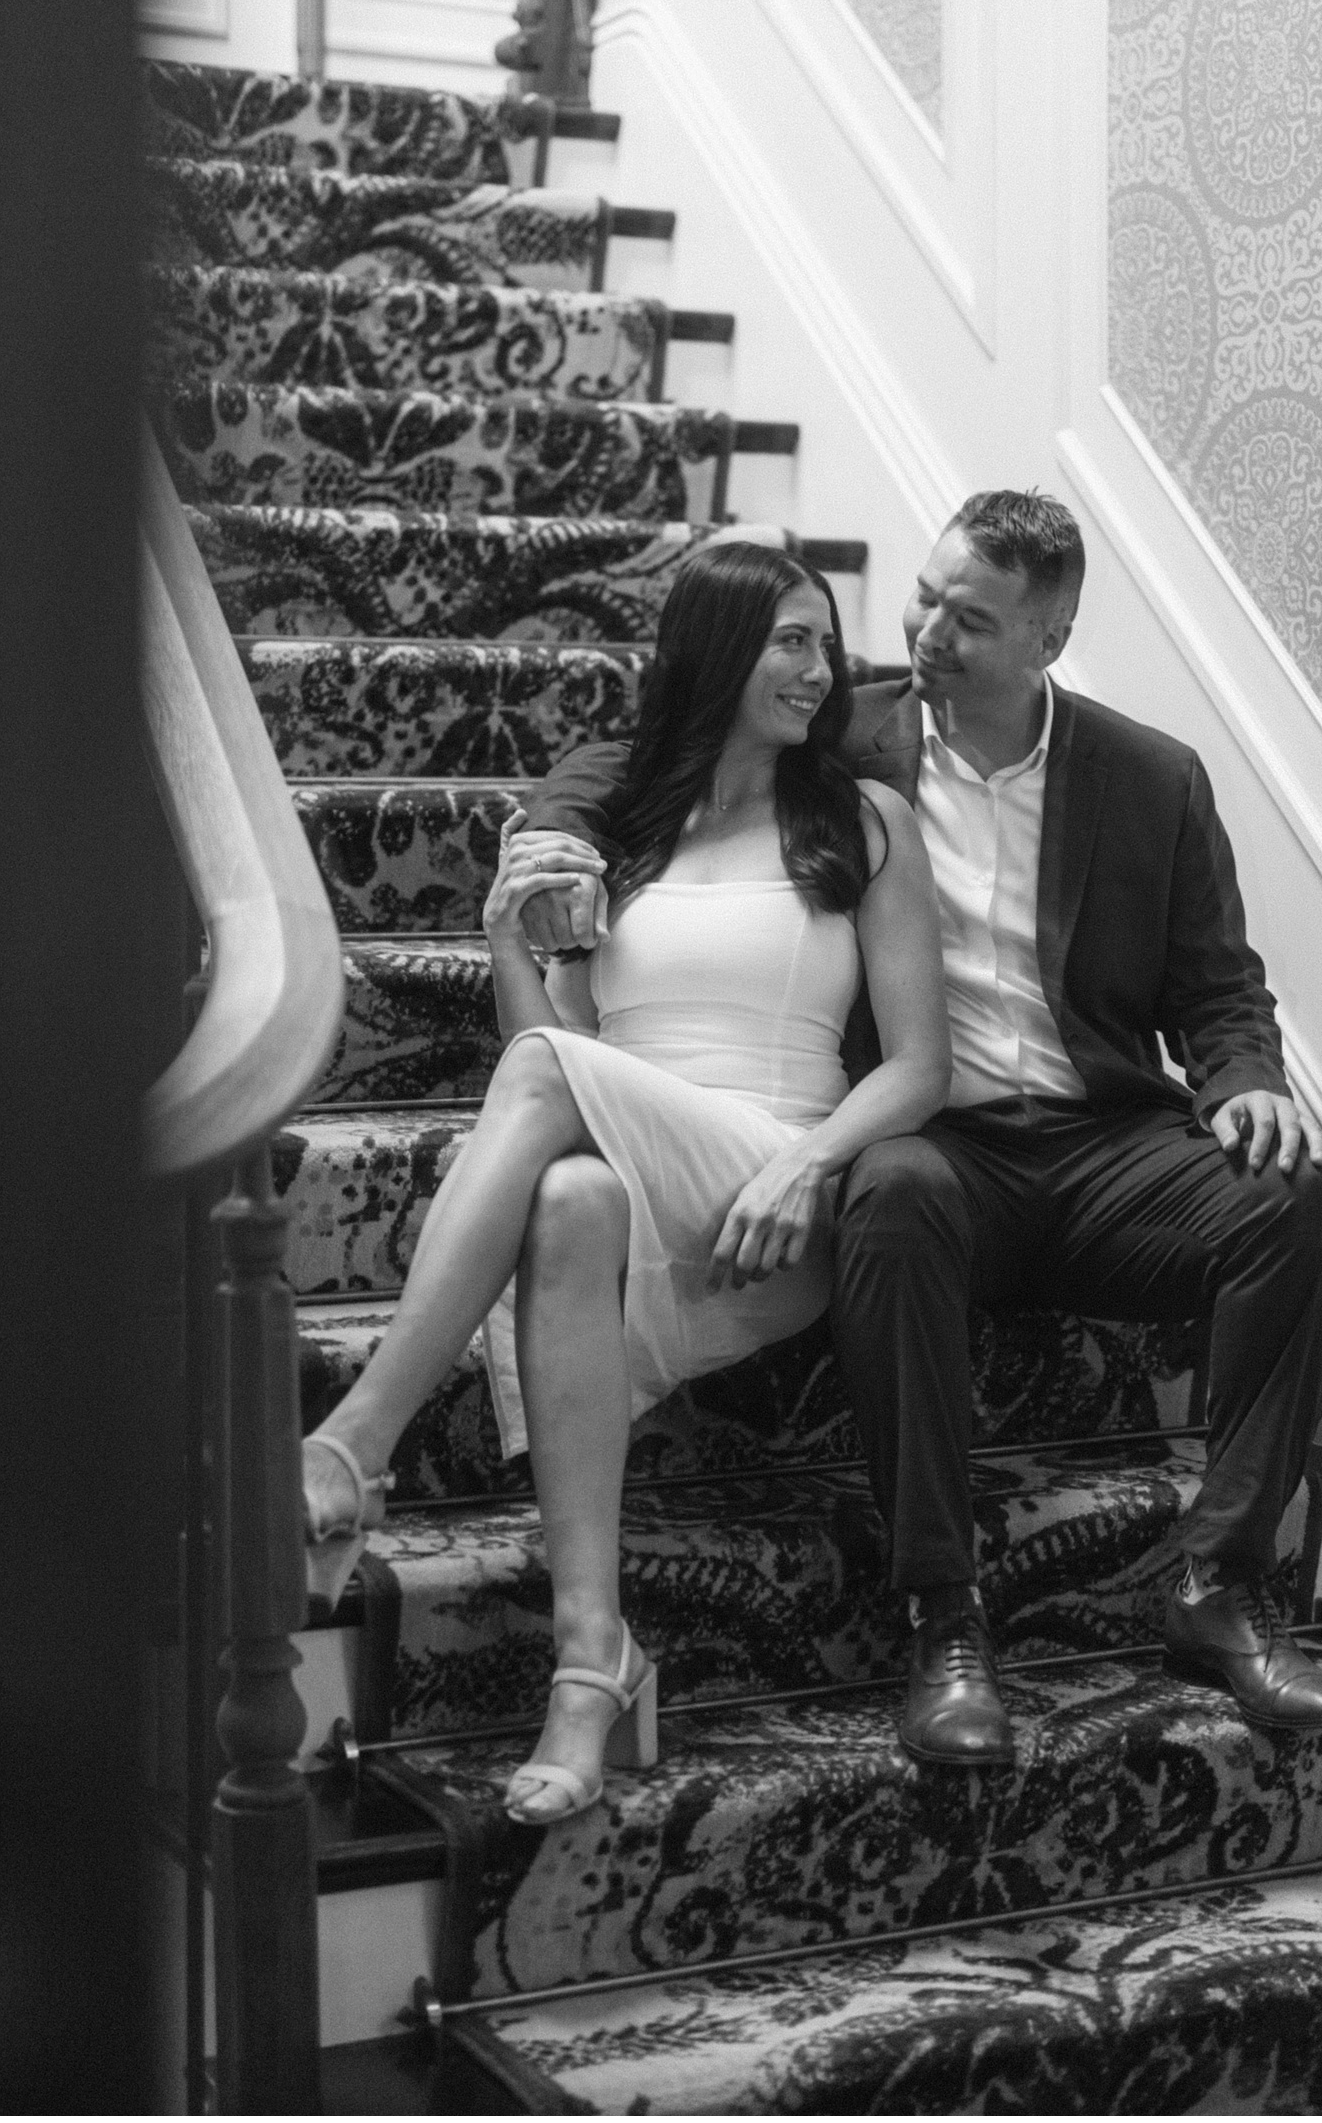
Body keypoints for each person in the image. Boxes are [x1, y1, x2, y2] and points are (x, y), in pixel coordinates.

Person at [519, 492, 1322, 1767]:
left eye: (968, 621)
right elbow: (633, 759)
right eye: (922, 597)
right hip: (931, 1145)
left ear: (1048, 638)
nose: (925, 633)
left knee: (1297, 1200)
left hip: (1098, 1148)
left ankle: (1217, 1582)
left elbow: (1218, 989)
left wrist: (1244, 1077)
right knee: (895, 1189)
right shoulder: (843, 727)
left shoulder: (1149, 778)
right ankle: (944, 1612)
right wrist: (552, 839)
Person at [299, 542, 951, 1825]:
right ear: (712, 651)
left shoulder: (866, 822)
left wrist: (815, 1163)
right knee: (564, 1200)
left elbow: (921, 1066)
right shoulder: (632, 837)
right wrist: (503, 928)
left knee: (546, 1075)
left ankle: (357, 1441)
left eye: (827, 644)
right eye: (790, 641)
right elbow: (570, 1039)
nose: (821, 672)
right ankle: (593, 1657)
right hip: (635, 1166)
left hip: (775, 1175)